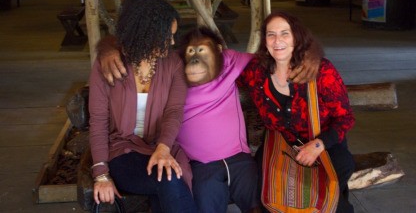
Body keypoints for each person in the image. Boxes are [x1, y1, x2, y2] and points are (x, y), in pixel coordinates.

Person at [97, 27, 323, 212]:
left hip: (240, 160)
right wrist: (107, 48)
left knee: (263, 202)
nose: (194, 61)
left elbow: (277, 56)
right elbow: (137, 46)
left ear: (218, 50)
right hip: (200, 166)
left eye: (202, 52)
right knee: (204, 204)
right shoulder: (174, 68)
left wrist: (312, 52)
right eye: (191, 53)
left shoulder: (231, 61)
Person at [88, 0, 197, 213]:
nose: (173, 42)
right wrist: (101, 174)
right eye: (168, 35)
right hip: (123, 152)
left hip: (162, 146)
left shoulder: (174, 64)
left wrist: (164, 148)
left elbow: (174, 111)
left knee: (166, 182)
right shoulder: (109, 66)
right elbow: (98, 122)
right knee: (168, 179)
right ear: (146, 33)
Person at [238, 11, 356, 213]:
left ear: (296, 37)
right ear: (264, 40)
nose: (277, 41)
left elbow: (345, 118)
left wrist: (318, 145)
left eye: (285, 33)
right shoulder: (256, 71)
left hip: (324, 145)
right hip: (280, 146)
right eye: (271, 34)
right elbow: (224, 74)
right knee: (268, 195)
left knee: (326, 199)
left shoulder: (320, 70)